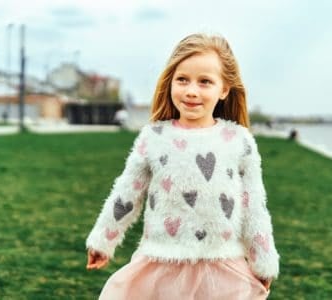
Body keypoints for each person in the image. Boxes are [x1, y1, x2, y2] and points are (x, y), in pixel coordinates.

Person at [86, 33, 279, 300]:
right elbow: (126, 193)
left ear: (224, 89)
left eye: (205, 82)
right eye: (183, 80)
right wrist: (103, 240)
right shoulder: (153, 138)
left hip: (221, 269)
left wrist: (263, 259)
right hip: (161, 263)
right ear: (170, 82)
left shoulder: (238, 141)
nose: (191, 91)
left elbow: (254, 204)